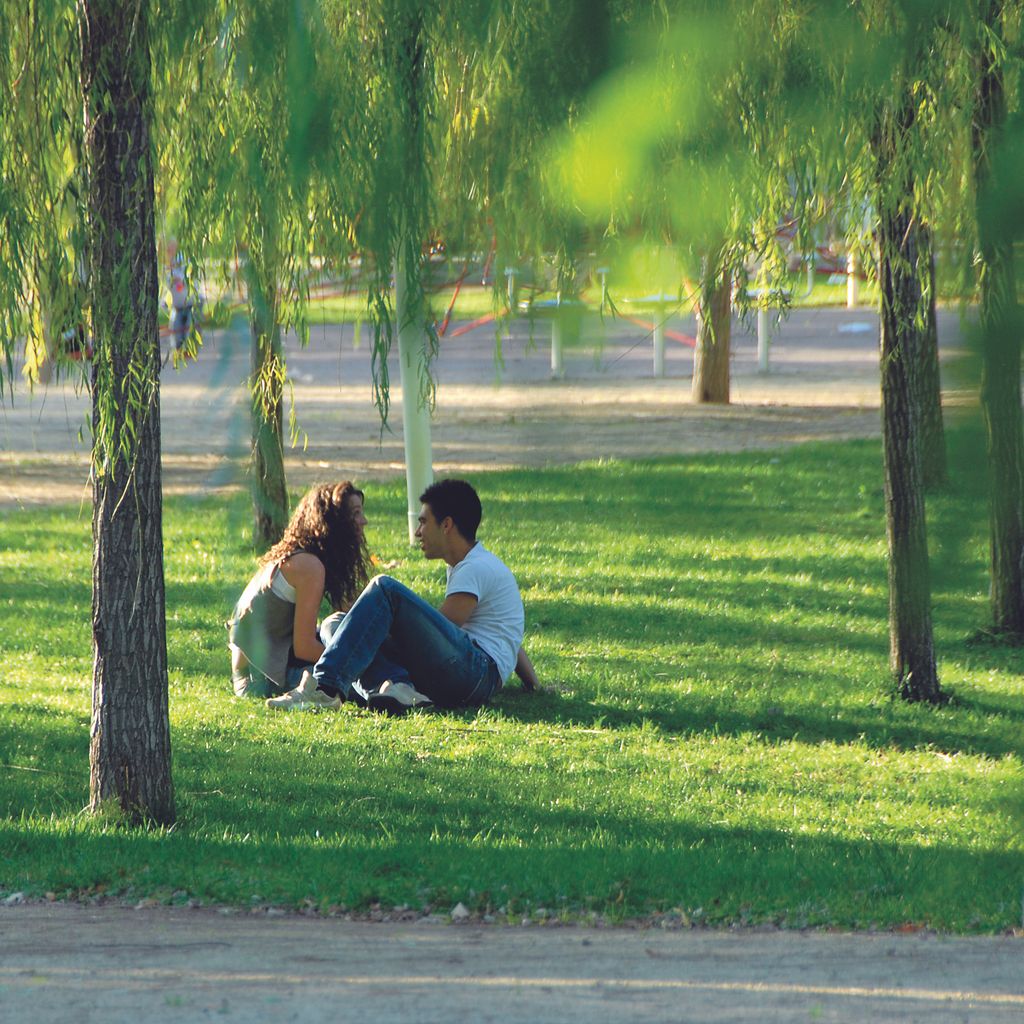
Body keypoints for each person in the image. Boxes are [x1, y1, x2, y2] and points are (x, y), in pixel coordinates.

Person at [267, 478, 538, 715]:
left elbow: (442, 632)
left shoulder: (475, 568)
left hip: (473, 675)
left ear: (446, 525)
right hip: (469, 676)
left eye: (423, 522)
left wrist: (376, 627)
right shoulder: (472, 565)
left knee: (384, 589)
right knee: (335, 623)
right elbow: (509, 636)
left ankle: (324, 688)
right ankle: (396, 688)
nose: (418, 532)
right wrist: (533, 684)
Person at [228, 482, 370, 698]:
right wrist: (356, 664)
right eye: (356, 514)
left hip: (264, 670)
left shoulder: (304, 557)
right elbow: (304, 647)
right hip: (257, 681)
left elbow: (349, 616)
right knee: (358, 681)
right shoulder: (309, 566)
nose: (364, 521)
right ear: (334, 522)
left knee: (336, 628)